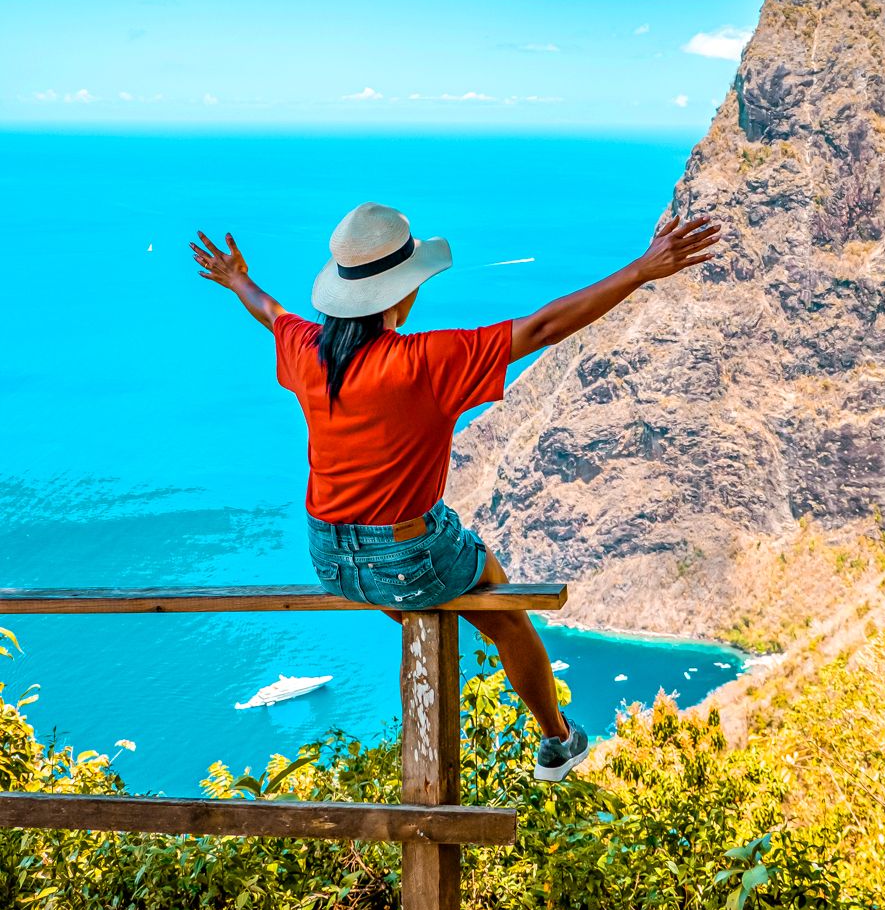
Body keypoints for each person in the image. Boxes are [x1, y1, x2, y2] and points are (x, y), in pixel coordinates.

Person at [189, 200, 720, 781]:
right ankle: (556, 739)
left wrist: (237, 278)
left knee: (424, 588)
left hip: (329, 561)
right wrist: (640, 270)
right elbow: (542, 327)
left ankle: (431, 639)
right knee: (500, 599)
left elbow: (272, 313)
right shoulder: (425, 361)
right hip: (404, 558)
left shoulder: (308, 349)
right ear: (400, 292)